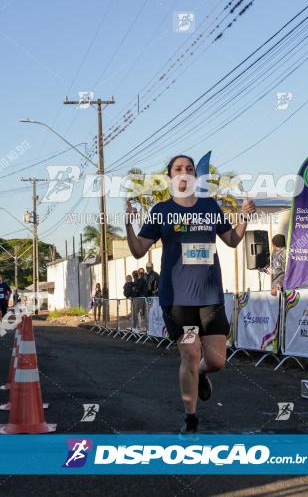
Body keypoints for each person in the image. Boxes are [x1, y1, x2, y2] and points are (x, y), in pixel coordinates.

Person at [125, 154, 255, 434]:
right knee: (190, 355)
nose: (184, 172)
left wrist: (244, 217)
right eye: (178, 169)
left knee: (217, 361)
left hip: (210, 296)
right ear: (170, 177)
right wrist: (127, 224)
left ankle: (199, 376)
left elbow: (231, 240)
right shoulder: (161, 211)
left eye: (190, 169)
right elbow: (138, 251)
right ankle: (191, 417)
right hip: (178, 299)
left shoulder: (209, 207)